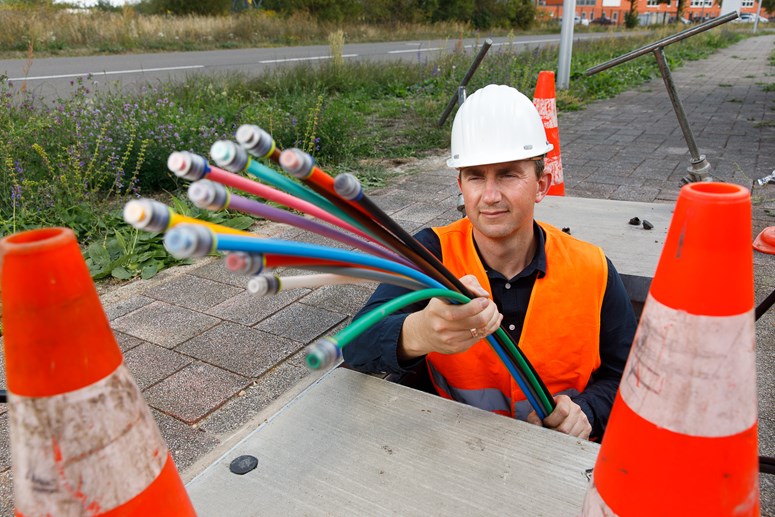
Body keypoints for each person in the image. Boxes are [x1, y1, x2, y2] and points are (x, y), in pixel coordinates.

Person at [343, 84, 636, 441]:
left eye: (509, 174)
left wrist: (588, 411)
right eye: (476, 176)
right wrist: (419, 332)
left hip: (558, 460)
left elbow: (629, 375)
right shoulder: (432, 255)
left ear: (541, 184)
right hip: (457, 454)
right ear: (460, 185)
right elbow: (355, 345)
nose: (490, 196)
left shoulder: (593, 269)